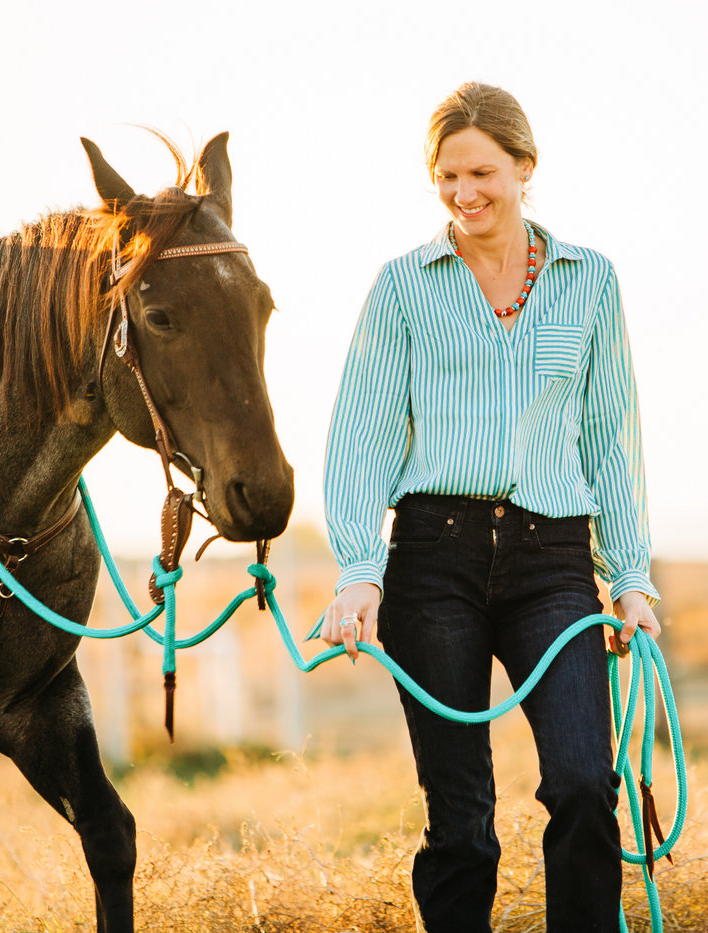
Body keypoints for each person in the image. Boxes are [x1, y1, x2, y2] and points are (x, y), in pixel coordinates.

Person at [321, 81, 660, 933]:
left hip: (553, 560)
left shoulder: (590, 281)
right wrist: (360, 573)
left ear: (523, 167)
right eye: (446, 177)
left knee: (585, 783)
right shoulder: (403, 287)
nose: (463, 193)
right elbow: (359, 438)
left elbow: (610, 438)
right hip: (434, 557)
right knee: (460, 812)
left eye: (480, 172)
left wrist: (629, 578)